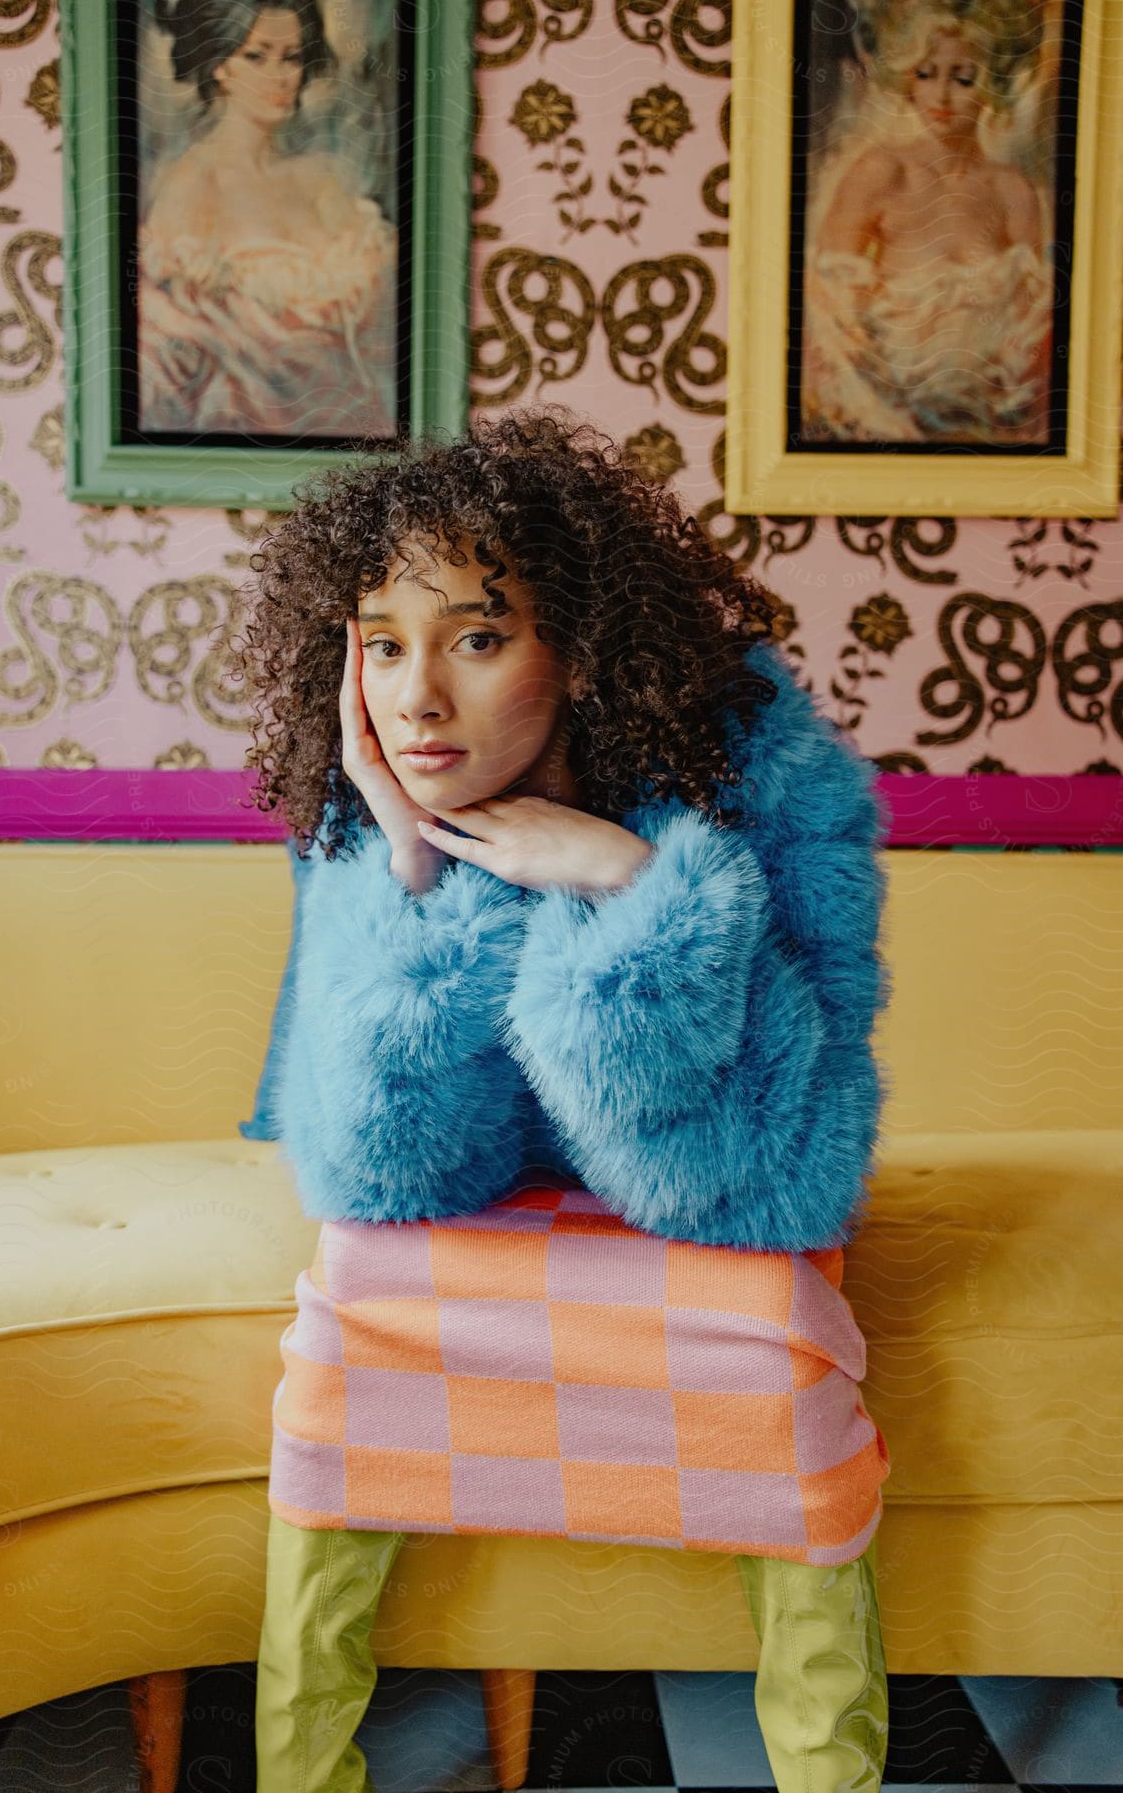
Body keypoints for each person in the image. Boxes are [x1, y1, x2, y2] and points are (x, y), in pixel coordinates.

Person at [235, 405, 893, 1791]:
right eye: (384, 641)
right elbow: (377, 1170)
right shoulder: (368, 815)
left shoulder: (769, 794)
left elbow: (772, 1179)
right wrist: (410, 879)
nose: (417, 699)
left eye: (476, 637)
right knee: (342, 1329)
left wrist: (633, 890)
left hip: (712, 1215)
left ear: (576, 646)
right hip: (450, 1254)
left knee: (776, 1345)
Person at [139, 0, 397, 437]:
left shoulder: (319, 178)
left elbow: (383, 319)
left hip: (354, 423)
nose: (281, 76)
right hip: (241, 426)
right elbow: (171, 346)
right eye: (257, 56)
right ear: (220, 65)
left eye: (292, 57)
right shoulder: (192, 184)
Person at [802, 5, 1052, 444]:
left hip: (989, 401)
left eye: (962, 78)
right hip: (888, 390)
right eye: (925, 73)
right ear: (906, 79)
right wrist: (876, 379)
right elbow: (832, 293)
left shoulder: (1011, 189)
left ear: (992, 86)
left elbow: (1035, 312)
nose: (940, 95)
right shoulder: (882, 170)